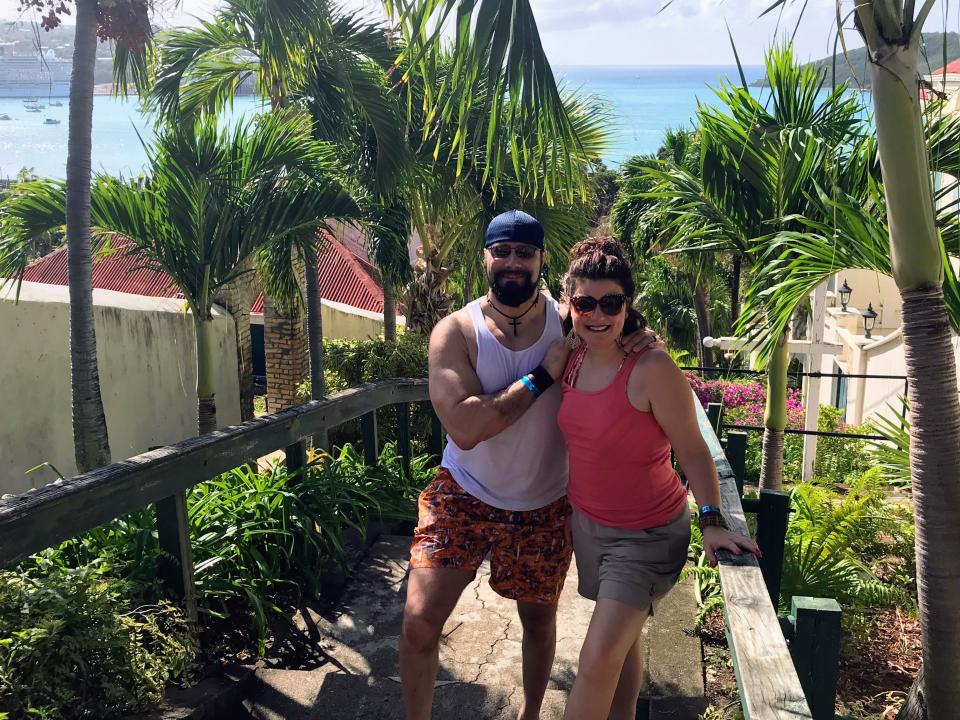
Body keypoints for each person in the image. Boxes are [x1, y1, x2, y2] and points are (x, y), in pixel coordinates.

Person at [399, 210, 657, 720]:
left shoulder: (574, 320)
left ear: (542, 260)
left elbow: (620, 330)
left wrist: (643, 339)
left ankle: (531, 713)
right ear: (486, 259)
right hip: (463, 491)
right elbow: (466, 429)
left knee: (538, 625)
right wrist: (542, 375)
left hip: (544, 502)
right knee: (419, 621)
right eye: (503, 251)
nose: (513, 262)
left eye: (525, 252)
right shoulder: (456, 331)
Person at [555, 238, 760, 720]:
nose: (598, 314)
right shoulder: (571, 357)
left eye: (611, 303)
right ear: (570, 305)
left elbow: (692, 449)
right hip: (588, 528)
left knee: (596, 658)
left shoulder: (652, 368)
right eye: (585, 303)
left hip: (646, 536)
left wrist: (711, 519)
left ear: (628, 305)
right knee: (620, 648)